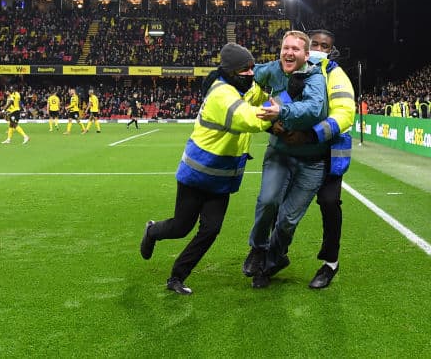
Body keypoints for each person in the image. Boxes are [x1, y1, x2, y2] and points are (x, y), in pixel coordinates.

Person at [140, 43, 273, 295]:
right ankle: (152, 231)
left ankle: (177, 277)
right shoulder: (222, 94)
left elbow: (259, 94)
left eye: (252, 69)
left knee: (211, 229)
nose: (251, 74)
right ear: (232, 72)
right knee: (181, 227)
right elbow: (249, 118)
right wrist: (280, 112)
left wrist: (279, 92)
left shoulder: (241, 87)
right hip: (197, 173)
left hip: (221, 177)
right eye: (246, 69)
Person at [243, 30, 328, 289]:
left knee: (287, 220)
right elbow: (251, 70)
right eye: (285, 48)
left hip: (312, 161)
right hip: (280, 152)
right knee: (268, 200)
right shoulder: (272, 70)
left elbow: (315, 109)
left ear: (305, 55)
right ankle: (258, 249)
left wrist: (282, 111)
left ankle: (271, 262)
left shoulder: (314, 78)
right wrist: (227, 73)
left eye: (295, 49)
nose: (289, 53)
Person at [303, 29, 356, 290]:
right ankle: (272, 256)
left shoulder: (337, 75)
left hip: (329, 151)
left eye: (324, 46)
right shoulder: (296, 69)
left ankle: (330, 264)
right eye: (315, 44)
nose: (319, 49)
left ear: (331, 50)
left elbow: (346, 113)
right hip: (298, 150)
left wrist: (313, 134)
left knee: (329, 202)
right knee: (279, 203)